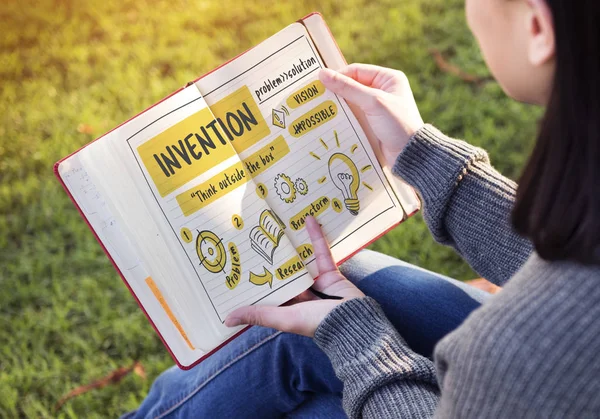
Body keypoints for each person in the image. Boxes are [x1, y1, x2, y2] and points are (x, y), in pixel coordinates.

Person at [126, 0, 600, 417]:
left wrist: (359, 340)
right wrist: (428, 161)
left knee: (301, 346)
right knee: (337, 285)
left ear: (538, 27)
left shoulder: (518, 349)